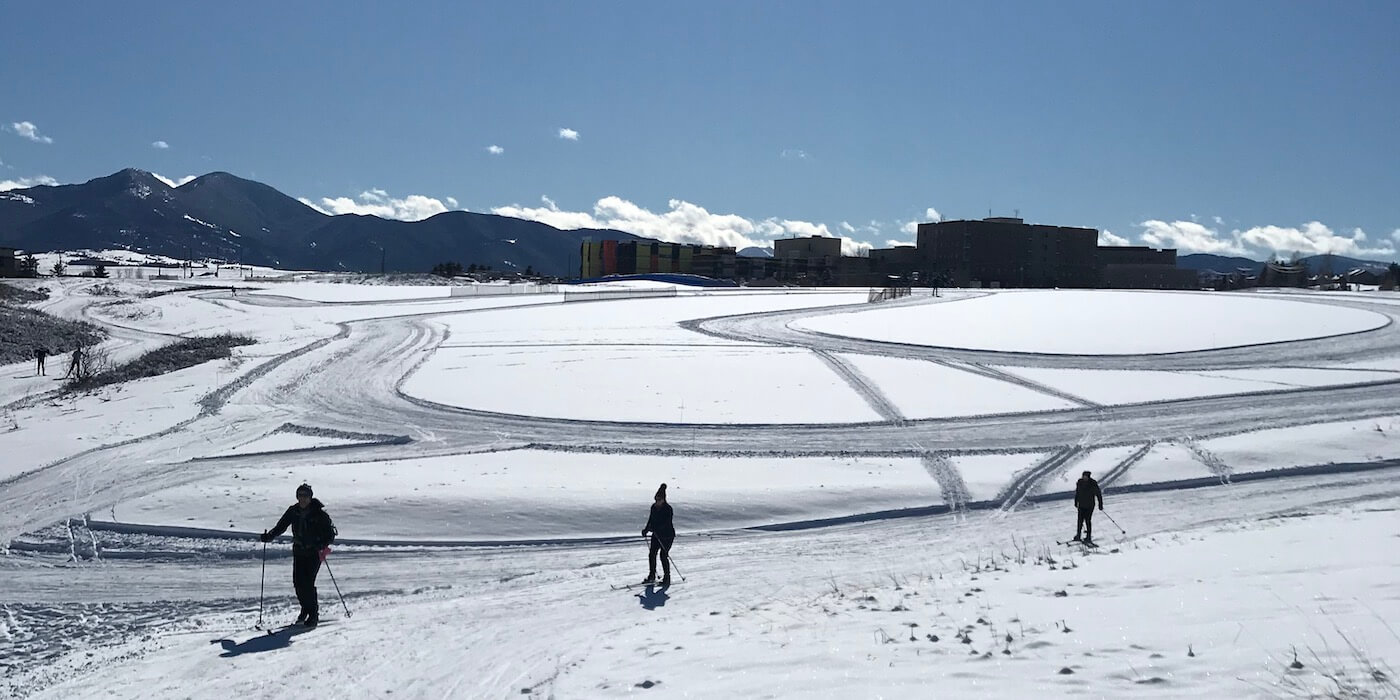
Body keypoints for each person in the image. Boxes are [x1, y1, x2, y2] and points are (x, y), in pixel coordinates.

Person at [260, 483, 337, 627]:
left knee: (307, 584)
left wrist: (320, 544)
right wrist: (269, 536)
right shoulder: (293, 511)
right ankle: (305, 609)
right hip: (299, 551)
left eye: (305, 496)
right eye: (300, 495)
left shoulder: (319, 514)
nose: (303, 499)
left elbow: (330, 535)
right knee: (298, 583)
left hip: (314, 553)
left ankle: (313, 615)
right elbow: (281, 526)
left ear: (310, 497)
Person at [640, 483, 675, 585]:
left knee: (663, 555)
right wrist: (646, 529)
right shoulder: (653, 507)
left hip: (667, 535)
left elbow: (666, 523)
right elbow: (650, 519)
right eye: (656, 499)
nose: (657, 502)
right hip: (656, 534)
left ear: (664, 500)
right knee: (652, 554)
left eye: (659, 500)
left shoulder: (668, 509)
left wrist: (655, 528)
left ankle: (667, 578)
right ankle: (652, 575)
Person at [1073, 470, 1104, 543]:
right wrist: (1076, 501)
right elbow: (1077, 492)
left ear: (1088, 477)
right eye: (1083, 476)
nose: (1084, 478)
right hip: (1081, 504)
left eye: (1086, 476)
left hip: (1090, 505)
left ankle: (1088, 537)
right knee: (1080, 521)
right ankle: (1078, 535)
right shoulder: (1080, 482)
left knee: (1087, 521)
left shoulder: (1093, 483)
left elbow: (1098, 494)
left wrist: (1100, 504)